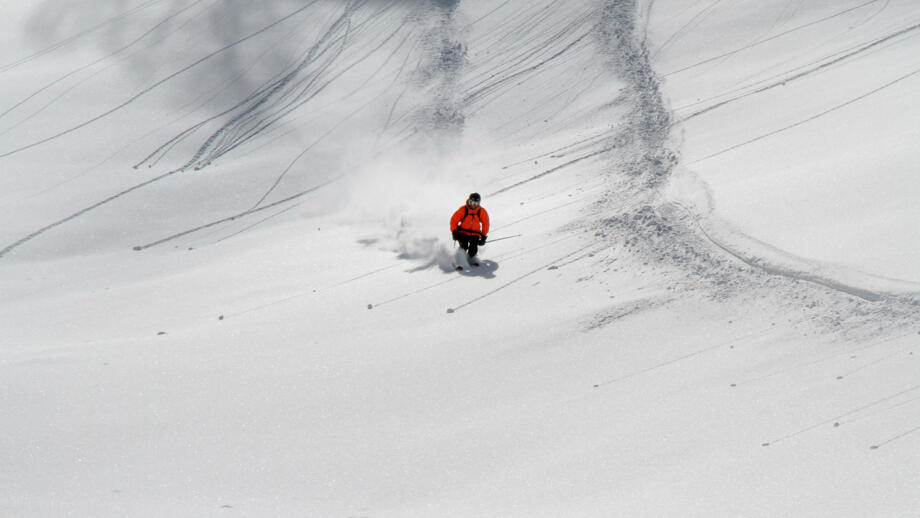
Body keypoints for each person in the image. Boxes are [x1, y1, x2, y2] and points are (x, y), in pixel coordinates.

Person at [450, 192, 490, 261]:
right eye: (472, 202)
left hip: (475, 234)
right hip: (463, 232)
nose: (474, 205)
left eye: (476, 203)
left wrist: (483, 236)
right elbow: (454, 220)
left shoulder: (481, 211)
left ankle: (470, 259)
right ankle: (459, 260)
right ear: (469, 201)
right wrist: (454, 231)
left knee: (473, 250)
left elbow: (485, 223)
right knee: (464, 246)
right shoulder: (463, 209)